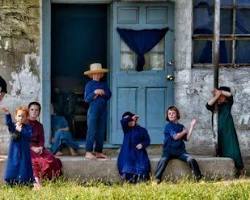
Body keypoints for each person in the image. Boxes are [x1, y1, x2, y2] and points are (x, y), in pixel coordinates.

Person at [154, 106, 202, 183]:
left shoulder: (181, 126)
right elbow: (175, 137)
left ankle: (199, 178)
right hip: (168, 151)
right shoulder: (168, 126)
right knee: (163, 160)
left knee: (191, 160)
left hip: (180, 151)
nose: (171, 115)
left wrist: (191, 127)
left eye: (173, 113)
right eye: (169, 114)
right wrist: (184, 131)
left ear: (177, 115)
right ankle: (157, 179)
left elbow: (187, 138)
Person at [206, 86, 244, 176]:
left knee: (233, 149)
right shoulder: (215, 107)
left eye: (221, 96)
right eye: (219, 96)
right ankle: (226, 171)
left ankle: (240, 170)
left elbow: (230, 95)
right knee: (221, 149)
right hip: (219, 132)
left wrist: (220, 92)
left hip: (228, 131)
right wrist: (216, 96)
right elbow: (208, 105)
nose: (219, 98)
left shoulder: (228, 104)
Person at [28, 102, 62, 188]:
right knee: (36, 161)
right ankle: (36, 182)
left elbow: (41, 139)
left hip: (38, 147)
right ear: (28, 111)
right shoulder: (24, 124)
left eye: (36, 110)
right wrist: (33, 148)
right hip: (27, 147)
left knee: (50, 158)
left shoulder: (40, 125)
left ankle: (50, 179)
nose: (34, 112)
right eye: (32, 109)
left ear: (39, 112)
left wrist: (40, 147)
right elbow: (23, 140)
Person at [1, 106, 37, 187]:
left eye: (23, 116)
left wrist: (21, 130)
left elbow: (29, 136)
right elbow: (9, 124)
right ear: (16, 117)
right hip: (14, 151)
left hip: (24, 151)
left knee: (23, 166)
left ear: (26, 118)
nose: (21, 118)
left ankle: (24, 182)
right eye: (19, 116)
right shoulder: (13, 126)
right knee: (13, 165)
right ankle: (11, 182)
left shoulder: (28, 128)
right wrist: (7, 114)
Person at [83, 63, 111, 160]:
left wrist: (102, 92)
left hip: (103, 110)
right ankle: (88, 151)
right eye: (95, 74)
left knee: (101, 131)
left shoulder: (104, 84)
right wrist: (95, 92)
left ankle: (98, 151)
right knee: (92, 130)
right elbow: (86, 99)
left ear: (101, 74)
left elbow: (109, 95)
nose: (97, 75)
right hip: (93, 111)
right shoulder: (89, 85)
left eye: (99, 73)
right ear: (91, 75)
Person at [117, 112, 151, 183]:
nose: (130, 122)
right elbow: (123, 121)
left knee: (142, 164)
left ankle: (140, 179)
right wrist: (131, 118)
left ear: (135, 120)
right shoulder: (126, 129)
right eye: (128, 121)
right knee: (127, 164)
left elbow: (147, 140)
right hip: (127, 151)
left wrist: (142, 144)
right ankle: (129, 180)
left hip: (139, 152)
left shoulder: (142, 130)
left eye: (131, 120)